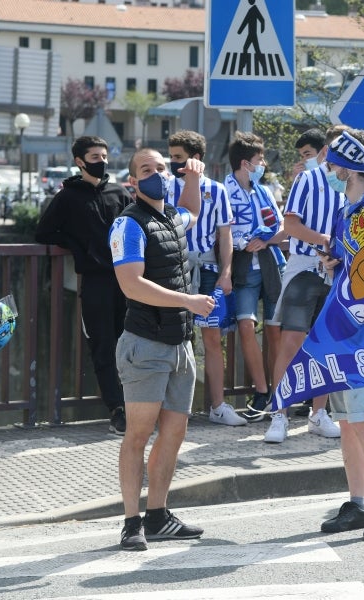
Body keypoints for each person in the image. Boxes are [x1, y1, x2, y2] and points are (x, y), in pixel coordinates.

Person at [291, 129, 364, 539]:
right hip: (343, 325)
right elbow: (352, 262)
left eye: (335, 162)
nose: (330, 168)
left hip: (363, 331)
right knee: (349, 422)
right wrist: (333, 260)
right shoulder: (351, 207)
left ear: (350, 166)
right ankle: (357, 503)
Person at [109, 148, 214, 551]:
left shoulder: (172, 217)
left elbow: (192, 209)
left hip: (179, 344)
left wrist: (193, 177)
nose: (156, 175)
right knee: (138, 435)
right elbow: (131, 285)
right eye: (146, 170)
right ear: (133, 181)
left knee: (173, 433)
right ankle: (131, 522)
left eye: (161, 169)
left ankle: (158, 516)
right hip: (145, 344)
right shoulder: (127, 224)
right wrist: (187, 301)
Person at [36, 136, 133, 435]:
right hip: (95, 282)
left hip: (128, 281)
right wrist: (79, 247)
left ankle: (137, 406)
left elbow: (135, 226)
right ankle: (117, 410)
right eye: (94, 156)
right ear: (80, 161)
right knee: (103, 346)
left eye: (104, 155)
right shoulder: (67, 196)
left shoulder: (119, 192)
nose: (101, 160)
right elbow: (44, 232)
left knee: (130, 345)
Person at [264, 127, 345, 443]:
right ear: (326, 151)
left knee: (325, 344)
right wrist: (324, 241)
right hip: (303, 268)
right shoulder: (307, 179)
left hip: (336, 271)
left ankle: (318, 414)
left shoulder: (353, 185)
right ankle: (279, 414)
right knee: (291, 342)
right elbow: (291, 224)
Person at [165, 130, 245, 428]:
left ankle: (217, 405)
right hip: (175, 267)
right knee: (173, 336)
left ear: (195, 159)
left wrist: (226, 272)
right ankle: (171, 407)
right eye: (171, 157)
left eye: (179, 158)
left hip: (208, 269)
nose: (173, 163)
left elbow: (224, 235)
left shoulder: (216, 190)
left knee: (212, 339)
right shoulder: (165, 187)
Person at [225, 132, 286, 421]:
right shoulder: (223, 190)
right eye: (259, 160)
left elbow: (280, 224)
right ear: (245, 163)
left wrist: (265, 238)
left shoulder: (263, 190)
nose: (263, 165)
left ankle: (280, 394)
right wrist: (249, 238)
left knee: (276, 331)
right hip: (242, 267)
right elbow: (223, 229)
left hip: (271, 264)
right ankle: (261, 392)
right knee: (246, 325)